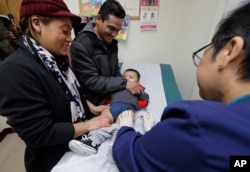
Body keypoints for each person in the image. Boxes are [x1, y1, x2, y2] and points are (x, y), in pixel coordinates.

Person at [112, 2, 250, 172]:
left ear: (229, 51)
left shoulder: (197, 122)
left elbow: (132, 156)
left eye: (205, 50)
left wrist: (126, 127)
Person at [0, 0, 112, 172]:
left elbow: (70, 95)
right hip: (55, 161)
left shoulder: (55, 60)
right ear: (37, 23)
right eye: (65, 31)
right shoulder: (14, 70)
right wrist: (90, 125)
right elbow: (40, 133)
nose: (70, 39)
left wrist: (92, 108)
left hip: (78, 144)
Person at [70, 0, 143, 108]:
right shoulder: (80, 45)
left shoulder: (111, 42)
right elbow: (92, 82)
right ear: (98, 19)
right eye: (111, 28)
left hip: (110, 92)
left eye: (118, 30)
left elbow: (115, 70)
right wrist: (124, 83)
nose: (114, 34)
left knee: (138, 96)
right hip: (95, 102)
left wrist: (126, 84)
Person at [68, 68, 153, 156]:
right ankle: (92, 141)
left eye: (131, 77)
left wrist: (140, 93)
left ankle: (116, 146)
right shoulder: (118, 86)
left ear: (137, 82)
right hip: (111, 107)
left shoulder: (139, 89)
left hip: (127, 107)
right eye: (125, 77)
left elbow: (144, 102)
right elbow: (107, 96)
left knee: (123, 124)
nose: (127, 79)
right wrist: (104, 104)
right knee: (102, 122)